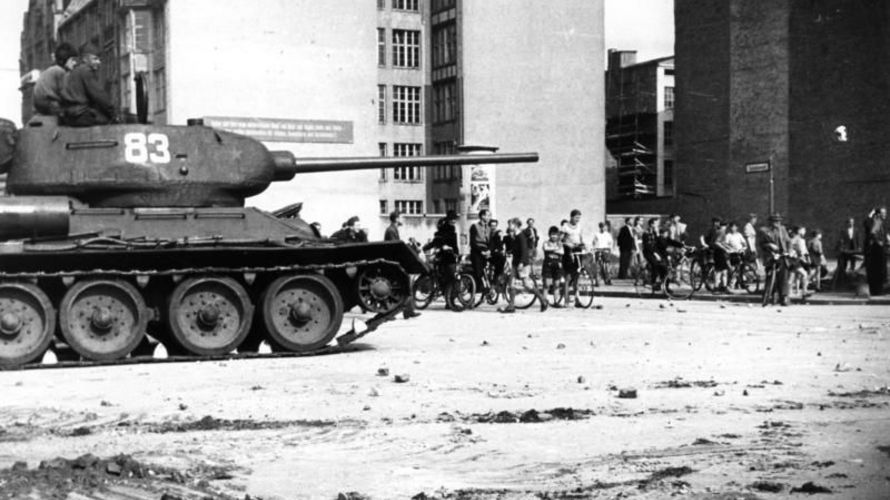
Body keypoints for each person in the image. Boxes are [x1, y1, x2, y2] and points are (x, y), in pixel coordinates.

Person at [498, 218, 548, 313]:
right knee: (511, 283)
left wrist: (521, 263)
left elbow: (524, 251)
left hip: (523, 264)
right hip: (515, 263)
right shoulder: (515, 236)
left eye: (511, 224)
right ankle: (511, 306)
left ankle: (543, 300)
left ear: (515, 225)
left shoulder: (521, 236)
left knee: (527, 285)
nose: (509, 226)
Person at [61, 44, 117, 127]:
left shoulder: (72, 73)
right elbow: (98, 94)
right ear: (85, 59)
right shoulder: (85, 71)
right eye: (95, 59)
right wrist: (113, 113)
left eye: (99, 59)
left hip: (71, 116)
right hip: (82, 115)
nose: (99, 62)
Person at [381, 211, 420, 319]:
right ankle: (401, 312)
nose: (403, 219)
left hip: (395, 263)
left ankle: (408, 311)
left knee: (403, 287)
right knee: (400, 287)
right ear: (397, 219)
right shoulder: (391, 230)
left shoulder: (393, 230)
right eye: (402, 217)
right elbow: (395, 247)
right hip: (394, 264)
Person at [423, 210, 461, 310]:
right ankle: (449, 301)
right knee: (449, 279)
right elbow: (438, 241)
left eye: (454, 219)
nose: (454, 221)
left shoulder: (452, 230)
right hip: (445, 257)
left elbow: (454, 244)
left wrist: (457, 252)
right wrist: (443, 246)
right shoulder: (444, 230)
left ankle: (449, 301)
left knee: (449, 279)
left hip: (449, 256)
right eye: (452, 219)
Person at [32, 42, 78, 118]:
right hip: (50, 104)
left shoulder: (50, 70)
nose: (75, 63)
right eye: (72, 60)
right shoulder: (60, 71)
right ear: (63, 60)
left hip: (39, 105)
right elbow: (64, 93)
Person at [759, 213, 792, 306]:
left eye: (778, 221)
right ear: (770, 222)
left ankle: (784, 297)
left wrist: (789, 251)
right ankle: (769, 295)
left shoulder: (783, 230)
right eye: (774, 221)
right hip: (771, 255)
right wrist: (769, 245)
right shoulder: (764, 231)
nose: (777, 223)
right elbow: (761, 244)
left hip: (782, 255)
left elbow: (789, 241)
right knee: (770, 275)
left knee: (783, 277)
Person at [561, 209, 590, 306]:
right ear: (571, 217)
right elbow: (561, 240)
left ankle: (577, 300)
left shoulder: (579, 227)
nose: (578, 219)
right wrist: (568, 244)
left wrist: (584, 245)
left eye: (579, 218)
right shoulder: (565, 227)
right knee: (568, 277)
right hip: (568, 253)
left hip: (577, 252)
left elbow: (581, 238)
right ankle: (566, 301)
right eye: (576, 217)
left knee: (576, 277)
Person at [864, 207, 887, 296]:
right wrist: (880, 243)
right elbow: (873, 233)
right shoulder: (877, 221)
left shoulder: (878, 222)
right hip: (877, 250)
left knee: (877, 271)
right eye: (883, 213)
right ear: (878, 214)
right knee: (878, 270)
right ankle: (877, 291)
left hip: (876, 249)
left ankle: (877, 291)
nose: (885, 215)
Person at [469, 209, 492, 292]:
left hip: (486, 250)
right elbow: (472, 242)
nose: (489, 217)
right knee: (478, 271)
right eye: (487, 215)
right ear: (482, 216)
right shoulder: (474, 226)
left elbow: (490, 242)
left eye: (489, 215)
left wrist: (489, 250)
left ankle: (492, 284)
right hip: (477, 250)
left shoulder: (489, 228)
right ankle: (477, 289)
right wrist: (480, 251)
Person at [541, 226, 565, 306]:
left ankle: (556, 302)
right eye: (552, 234)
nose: (554, 236)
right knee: (546, 284)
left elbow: (562, 252)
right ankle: (544, 301)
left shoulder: (560, 243)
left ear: (558, 235)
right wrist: (555, 249)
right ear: (549, 235)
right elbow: (546, 248)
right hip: (548, 266)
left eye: (555, 235)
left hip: (557, 266)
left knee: (557, 285)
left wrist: (553, 249)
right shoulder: (545, 242)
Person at [835, 217, 861, 284]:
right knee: (844, 261)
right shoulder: (843, 230)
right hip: (846, 248)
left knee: (853, 261)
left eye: (852, 222)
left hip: (854, 247)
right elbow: (841, 239)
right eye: (850, 222)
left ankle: (852, 274)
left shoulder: (856, 230)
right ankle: (844, 275)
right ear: (847, 223)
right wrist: (842, 247)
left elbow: (857, 239)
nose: (851, 223)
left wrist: (858, 246)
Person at [789, 225, 811, 297]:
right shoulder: (798, 239)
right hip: (796, 260)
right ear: (799, 231)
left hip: (792, 260)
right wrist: (804, 258)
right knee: (804, 274)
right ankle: (804, 292)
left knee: (791, 277)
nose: (804, 232)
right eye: (803, 230)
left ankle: (788, 293)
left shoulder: (793, 239)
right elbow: (801, 251)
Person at [488, 219, 507, 283]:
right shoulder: (489, 234)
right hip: (491, 253)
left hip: (497, 253)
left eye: (494, 225)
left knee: (499, 266)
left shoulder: (499, 232)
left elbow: (501, 243)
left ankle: (498, 279)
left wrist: (499, 249)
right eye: (492, 225)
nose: (493, 227)